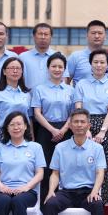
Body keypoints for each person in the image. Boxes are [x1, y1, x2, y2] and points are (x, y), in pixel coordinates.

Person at [40, 109, 108, 215]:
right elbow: (55, 173)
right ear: (70, 125)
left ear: (88, 125)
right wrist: (51, 191)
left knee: (98, 205)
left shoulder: (97, 148)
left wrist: (95, 191)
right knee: (50, 204)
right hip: (67, 192)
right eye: (76, 122)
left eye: (82, 122)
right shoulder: (60, 148)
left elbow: (100, 173)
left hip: (87, 192)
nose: (79, 125)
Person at [72, 49, 108, 203]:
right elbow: (78, 108)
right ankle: (84, 197)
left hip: (106, 125)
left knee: (106, 163)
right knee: (84, 162)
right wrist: (86, 129)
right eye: (96, 62)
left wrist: (102, 132)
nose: (99, 65)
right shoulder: (81, 84)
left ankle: (104, 199)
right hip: (84, 123)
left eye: (102, 62)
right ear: (90, 64)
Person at [31, 52, 74, 197]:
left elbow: (73, 113)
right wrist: (52, 130)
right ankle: (45, 200)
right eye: (54, 66)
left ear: (64, 69)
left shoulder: (71, 90)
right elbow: (37, 113)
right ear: (48, 68)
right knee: (46, 165)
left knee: (66, 165)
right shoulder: (39, 89)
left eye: (60, 67)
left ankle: (64, 198)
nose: (57, 69)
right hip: (45, 130)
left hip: (66, 130)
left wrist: (63, 129)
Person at [0, 57, 31, 154]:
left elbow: (29, 118)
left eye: (18, 68)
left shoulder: (26, 94)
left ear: (22, 72)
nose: (15, 71)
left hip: (22, 134)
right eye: (11, 68)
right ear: (4, 72)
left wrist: (32, 138)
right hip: (2, 134)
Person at [65, 19, 108, 85]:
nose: (97, 36)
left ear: (105, 36)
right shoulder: (75, 57)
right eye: (93, 33)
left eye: (100, 33)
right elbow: (65, 82)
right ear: (87, 36)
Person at [18, 22, 56, 91]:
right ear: (34, 36)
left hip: (52, 97)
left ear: (51, 37)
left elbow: (64, 80)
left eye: (46, 34)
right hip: (28, 97)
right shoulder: (23, 57)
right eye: (40, 34)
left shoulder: (58, 57)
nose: (43, 37)